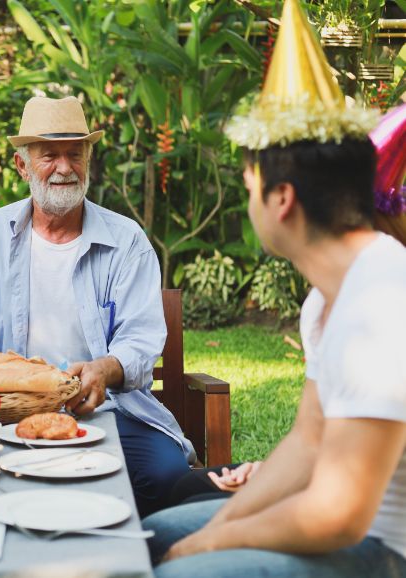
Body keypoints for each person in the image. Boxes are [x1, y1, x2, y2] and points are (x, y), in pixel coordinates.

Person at [143, 2, 406, 576]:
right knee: (155, 534)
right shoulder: (326, 297)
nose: (247, 197)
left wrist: (211, 545)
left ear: (282, 198)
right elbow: (309, 440)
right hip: (349, 529)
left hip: (387, 550)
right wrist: (220, 527)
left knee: (175, 565)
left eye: (249, 182)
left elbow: (339, 515)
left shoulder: (383, 303)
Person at [0, 95, 193, 517]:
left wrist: (103, 370)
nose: (64, 167)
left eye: (75, 154)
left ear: (88, 161)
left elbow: (141, 338)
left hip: (107, 410)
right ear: (22, 166)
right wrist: (5, 377)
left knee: (167, 475)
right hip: (8, 413)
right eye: (49, 155)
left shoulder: (126, 241)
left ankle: (132, 553)